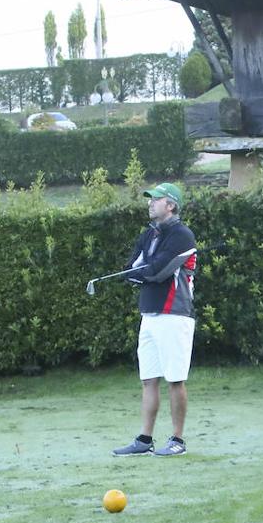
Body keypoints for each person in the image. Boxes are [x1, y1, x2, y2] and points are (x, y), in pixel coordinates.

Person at [111, 182, 199, 457]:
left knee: (174, 379)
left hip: (174, 313)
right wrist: (141, 273)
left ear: (170, 205)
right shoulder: (148, 235)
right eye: (150, 199)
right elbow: (131, 269)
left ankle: (177, 440)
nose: (150, 203)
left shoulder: (182, 236)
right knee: (149, 379)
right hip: (149, 313)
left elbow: (158, 271)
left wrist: (143, 273)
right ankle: (145, 439)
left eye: (156, 199)